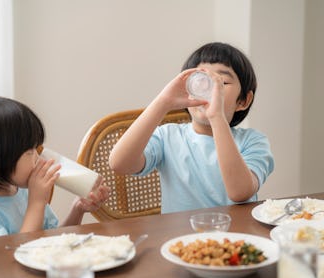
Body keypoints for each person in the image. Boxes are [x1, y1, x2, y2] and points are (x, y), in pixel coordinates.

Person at [109, 42, 274, 213]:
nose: (209, 89)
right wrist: (163, 102)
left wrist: (216, 117)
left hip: (236, 236)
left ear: (243, 101)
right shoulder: (168, 137)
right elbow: (119, 163)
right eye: (201, 81)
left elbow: (239, 192)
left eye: (221, 82)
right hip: (180, 237)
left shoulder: (253, 142)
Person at [0, 97, 110, 242]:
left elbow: (51, 242)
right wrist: (37, 202)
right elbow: (13, 262)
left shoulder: (22, 192)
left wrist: (77, 209)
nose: (38, 159)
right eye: (29, 152)